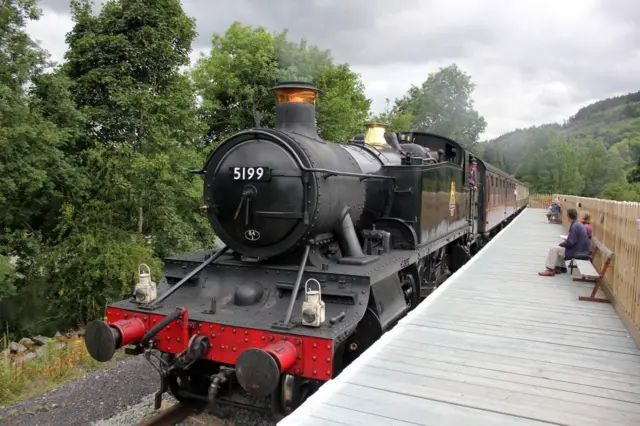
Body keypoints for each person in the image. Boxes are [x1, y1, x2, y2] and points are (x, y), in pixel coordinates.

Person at [538, 208, 591, 276]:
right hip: (582, 250)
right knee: (559, 248)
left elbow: (570, 243)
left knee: (554, 248)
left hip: (578, 251)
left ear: (568, 216)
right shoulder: (578, 224)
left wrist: (561, 244)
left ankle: (550, 270)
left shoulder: (575, 226)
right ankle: (560, 267)